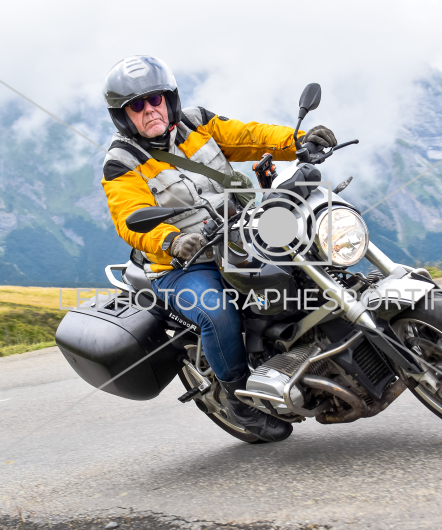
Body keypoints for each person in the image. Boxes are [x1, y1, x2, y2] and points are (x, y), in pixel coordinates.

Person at [101, 56, 337, 442]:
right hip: (182, 264)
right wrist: (172, 241)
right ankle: (238, 400)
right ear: (123, 116)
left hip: (239, 234)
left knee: (313, 247)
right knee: (216, 311)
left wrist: (298, 141)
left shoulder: (197, 122)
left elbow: (249, 136)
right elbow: (130, 217)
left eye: (155, 99)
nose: (149, 110)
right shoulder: (121, 162)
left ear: (169, 99)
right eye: (137, 105)